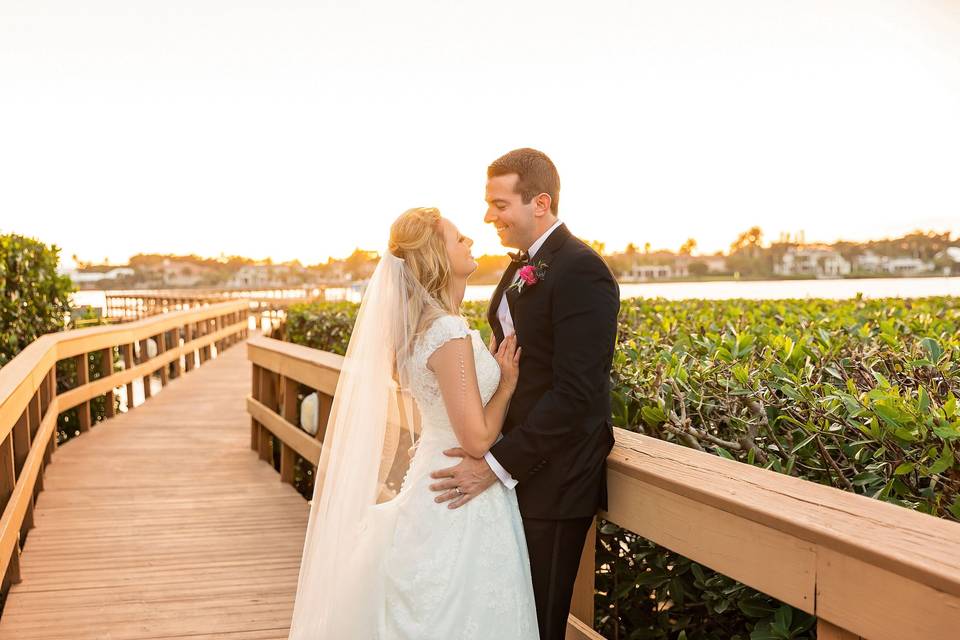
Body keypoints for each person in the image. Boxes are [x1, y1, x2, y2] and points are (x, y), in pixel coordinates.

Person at [287, 206, 540, 639]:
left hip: (439, 475)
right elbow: (477, 439)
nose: (471, 242)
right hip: (461, 486)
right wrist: (507, 385)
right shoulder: (447, 332)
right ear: (437, 257)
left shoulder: (428, 329)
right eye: (459, 239)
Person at [429, 148, 620, 640]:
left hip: (555, 481)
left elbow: (578, 394)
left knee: (538, 623)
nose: (489, 216)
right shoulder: (522, 267)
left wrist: (494, 466)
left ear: (540, 202)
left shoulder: (582, 270)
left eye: (499, 204)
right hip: (513, 473)